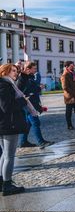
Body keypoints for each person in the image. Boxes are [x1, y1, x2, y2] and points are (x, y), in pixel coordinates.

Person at [0, 63, 35, 195]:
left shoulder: (8, 84)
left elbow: (17, 90)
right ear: (5, 72)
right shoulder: (4, 85)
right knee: (9, 156)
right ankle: (7, 185)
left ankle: (2, 182)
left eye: (16, 70)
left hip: (6, 124)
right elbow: (6, 107)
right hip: (8, 125)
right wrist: (23, 101)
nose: (16, 73)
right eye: (13, 71)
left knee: (5, 155)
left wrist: (24, 76)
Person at [17, 61, 53, 148]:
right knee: (35, 122)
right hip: (28, 104)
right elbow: (27, 90)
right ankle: (41, 142)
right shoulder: (23, 78)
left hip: (31, 103)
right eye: (34, 68)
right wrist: (39, 88)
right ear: (28, 69)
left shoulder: (29, 77)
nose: (35, 70)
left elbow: (31, 88)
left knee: (28, 123)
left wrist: (38, 88)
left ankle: (23, 142)